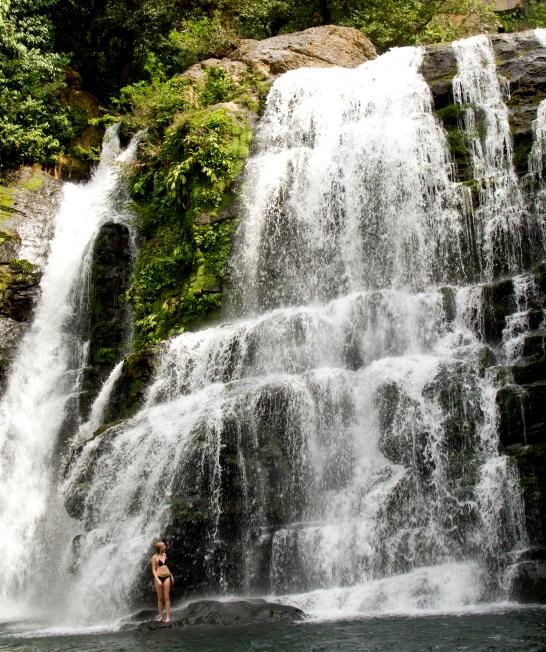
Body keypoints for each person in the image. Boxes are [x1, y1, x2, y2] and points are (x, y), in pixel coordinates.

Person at [151, 540, 174, 623]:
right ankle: (161, 616)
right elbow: (153, 570)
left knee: (167, 597)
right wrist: (157, 580)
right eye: (164, 546)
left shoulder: (165, 555)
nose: (165, 547)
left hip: (167, 576)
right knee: (160, 598)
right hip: (159, 578)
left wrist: (171, 575)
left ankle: (168, 617)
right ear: (160, 548)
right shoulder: (154, 558)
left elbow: (166, 566)